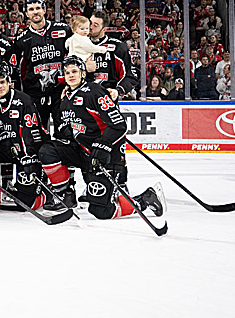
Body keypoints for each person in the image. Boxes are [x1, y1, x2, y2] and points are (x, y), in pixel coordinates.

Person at [38, 55, 165, 219]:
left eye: (75, 71)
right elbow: (67, 126)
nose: (71, 75)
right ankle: (64, 195)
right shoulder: (65, 97)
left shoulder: (94, 92)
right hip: (85, 153)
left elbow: (119, 125)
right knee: (48, 150)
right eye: (67, 72)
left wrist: (101, 147)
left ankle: (145, 199)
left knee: (101, 211)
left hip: (106, 155)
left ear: (83, 73)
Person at [0, 63, 49, 210]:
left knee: (27, 203)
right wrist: (1, 137)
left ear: (9, 83)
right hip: (10, 148)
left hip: (31, 150)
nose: (0, 86)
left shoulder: (24, 101)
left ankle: (46, 193)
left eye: (2, 82)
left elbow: (33, 132)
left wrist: (29, 155)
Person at [10, 0, 72, 128]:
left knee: (65, 133)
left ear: (44, 10)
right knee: (38, 134)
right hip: (35, 94)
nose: (35, 12)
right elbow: (16, 68)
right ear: (26, 13)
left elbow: (75, 54)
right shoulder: (21, 39)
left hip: (61, 92)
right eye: (31, 9)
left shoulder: (63, 29)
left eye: (38, 8)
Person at [87, 10, 138, 100]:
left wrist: (118, 91)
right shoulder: (78, 44)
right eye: (90, 23)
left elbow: (131, 76)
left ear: (104, 29)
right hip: (84, 98)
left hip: (108, 98)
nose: (90, 27)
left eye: (95, 25)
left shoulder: (117, 47)